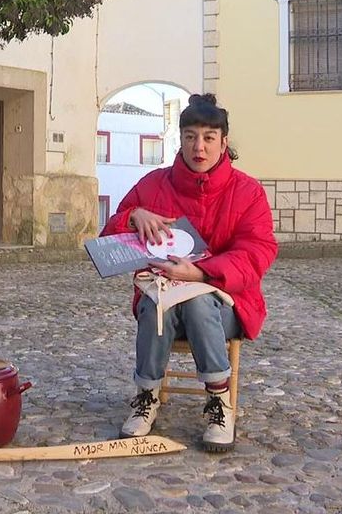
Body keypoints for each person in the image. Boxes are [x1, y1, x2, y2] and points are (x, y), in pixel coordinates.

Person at [100, 93, 277, 452]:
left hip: (226, 303)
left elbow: (258, 251)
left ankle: (218, 401)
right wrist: (134, 216)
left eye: (209, 138)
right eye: (191, 137)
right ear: (180, 140)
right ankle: (146, 396)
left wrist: (201, 273)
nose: (200, 147)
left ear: (224, 142)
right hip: (163, 298)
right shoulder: (153, 185)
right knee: (156, 305)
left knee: (198, 305)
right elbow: (109, 239)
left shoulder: (248, 191)